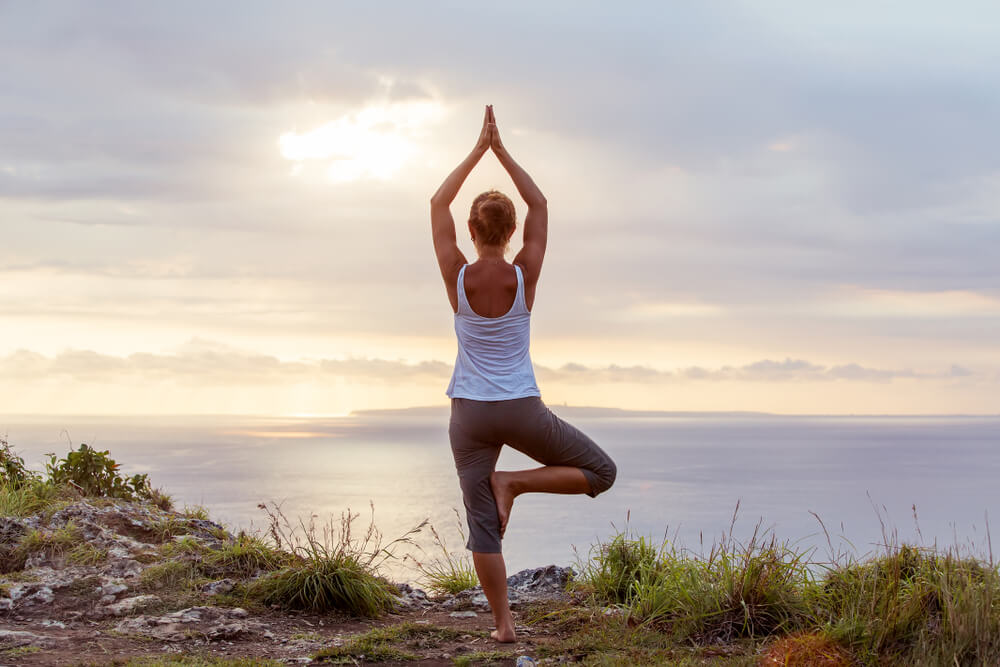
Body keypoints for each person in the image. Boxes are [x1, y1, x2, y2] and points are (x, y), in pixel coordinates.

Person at [430, 105, 617, 643]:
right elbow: (539, 202)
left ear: (471, 229)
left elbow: (438, 201)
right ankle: (514, 482)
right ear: (514, 231)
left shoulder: (457, 276)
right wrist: (501, 150)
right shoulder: (525, 274)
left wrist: (477, 149)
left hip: (468, 415)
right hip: (521, 408)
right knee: (600, 472)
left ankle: (504, 627)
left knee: (482, 527)